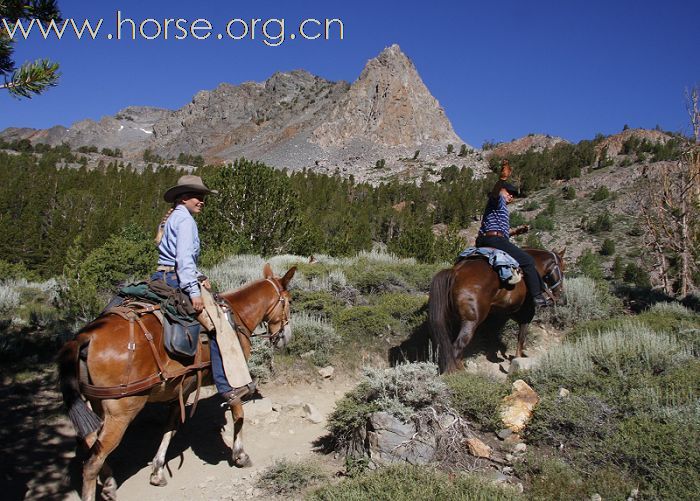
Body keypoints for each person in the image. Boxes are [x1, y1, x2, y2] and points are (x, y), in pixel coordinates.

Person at [153, 174, 254, 404]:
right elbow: (183, 260)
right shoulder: (186, 221)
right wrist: (194, 291)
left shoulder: (172, 218)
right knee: (219, 325)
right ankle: (225, 386)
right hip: (177, 280)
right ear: (184, 197)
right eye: (198, 197)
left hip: (162, 276)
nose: (202, 201)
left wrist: (199, 276)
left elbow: (175, 258)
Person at [475, 160, 552, 307]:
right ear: (502, 191)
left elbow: (499, 233)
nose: (511, 196)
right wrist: (502, 180)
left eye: (513, 195)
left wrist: (515, 232)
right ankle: (537, 296)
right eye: (509, 193)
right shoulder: (497, 201)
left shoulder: (501, 208)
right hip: (493, 240)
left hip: (489, 239)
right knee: (528, 261)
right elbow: (495, 193)